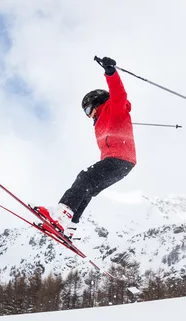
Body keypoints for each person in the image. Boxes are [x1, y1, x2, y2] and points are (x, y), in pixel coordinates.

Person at [36, 56, 136, 239]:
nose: (89, 116)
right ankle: (70, 225)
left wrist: (110, 73)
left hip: (119, 159)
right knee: (87, 187)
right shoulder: (101, 122)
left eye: (89, 110)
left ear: (97, 103)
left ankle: (61, 215)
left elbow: (119, 95)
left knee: (84, 177)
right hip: (121, 163)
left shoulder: (113, 108)